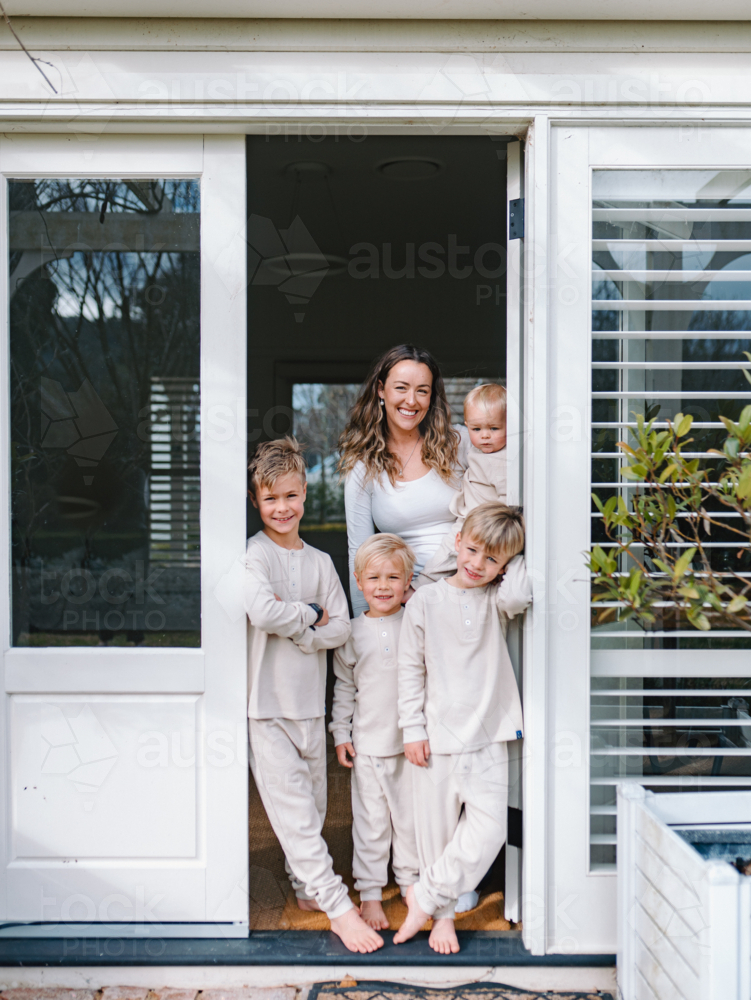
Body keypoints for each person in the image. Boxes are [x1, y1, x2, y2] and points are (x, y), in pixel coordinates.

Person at [244, 436, 383, 954]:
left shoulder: (322, 562)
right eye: (271, 499)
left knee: (317, 808)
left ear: (305, 494)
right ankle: (338, 910)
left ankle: (306, 889)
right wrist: (307, 616)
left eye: (291, 496)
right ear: (257, 501)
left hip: (310, 706)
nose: (282, 508)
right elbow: (264, 612)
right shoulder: (253, 556)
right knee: (296, 818)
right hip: (266, 707)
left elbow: (342, 628)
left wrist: (298, 623)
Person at [393, 503, 531, 954]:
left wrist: (513, 563)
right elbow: (409, 670)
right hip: (436, 737)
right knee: (437, 834)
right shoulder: (425, 602)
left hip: (489, 735)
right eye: (472, 551)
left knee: (490, 829)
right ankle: (443, 918)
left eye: (492, 560)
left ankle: (425, 898)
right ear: (457, 543)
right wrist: (411, 728)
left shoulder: (497, 600)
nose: (477, 564)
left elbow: (518, 594)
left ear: (505, 566)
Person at [330, 533, 420, 931]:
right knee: (370, 824)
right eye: (374, 578)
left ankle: (410, 884)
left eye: (392, 578)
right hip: (367, 747)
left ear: (408, 581)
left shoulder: (417, 623)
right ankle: (369, 893)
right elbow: (344, 689)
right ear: (359, 582)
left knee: (411, 821)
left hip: (413, 749)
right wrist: (340, 733)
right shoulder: (350, 633)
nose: (383, 586)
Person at [339, 344, 468, 618]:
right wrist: (365, 626)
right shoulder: (363, 466)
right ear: (380, 390)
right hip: (406, 603)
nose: (411, 400)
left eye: (422, 390)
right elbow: (360, 554)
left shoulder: (460, 443)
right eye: (401, 388)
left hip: (469, 587)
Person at [414, 382, 508, 588]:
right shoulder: (475, 448)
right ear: (467, 425)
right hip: (467, 518)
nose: (484, 435)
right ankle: (419, 585)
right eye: (476, 428)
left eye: (494, 428)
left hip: (488, 528)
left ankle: (419, 585)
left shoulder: (504, 461)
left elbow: (509, 504)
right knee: (447, 553)